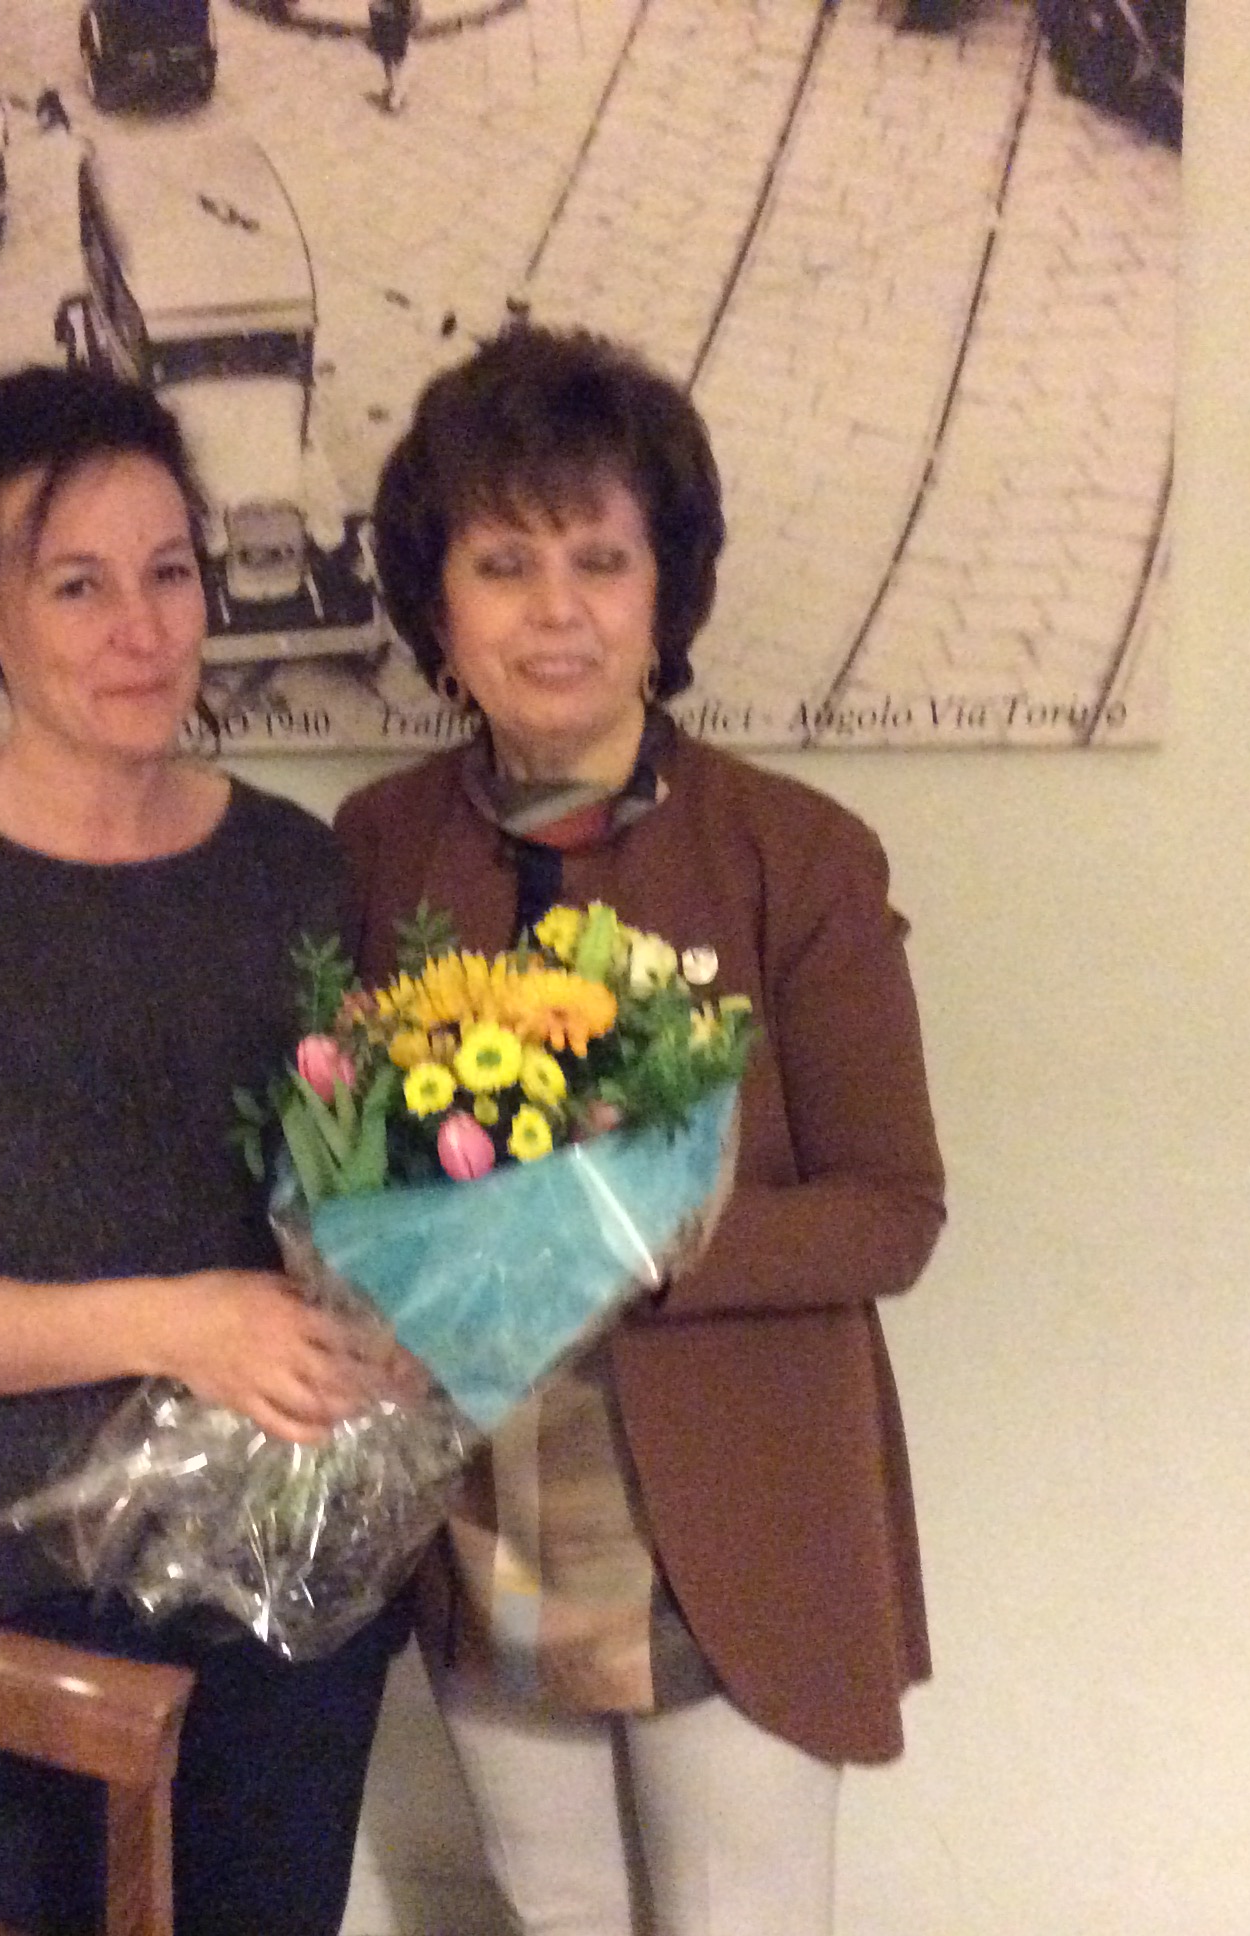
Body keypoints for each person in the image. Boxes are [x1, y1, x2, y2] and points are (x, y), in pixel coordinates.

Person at [0, 364, 411, 1936]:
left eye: (169, 573)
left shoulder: (293, 870)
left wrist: (404, 1307)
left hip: (281, 1591)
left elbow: (355, 1199)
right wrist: (177, 1322)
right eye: (78, 585)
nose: (143, 628)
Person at [336, 325, 946, 1936]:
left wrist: (625, 1241)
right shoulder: (378, 845)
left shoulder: (794, 852)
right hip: (491, 1505)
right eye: (505, 563)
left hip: (740, 1512)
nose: (557, 609)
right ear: (437, 605)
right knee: (552, 1914)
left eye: (601, 560)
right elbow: (341, 1153)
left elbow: (895, 1208)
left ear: (666, 593)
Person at [365, 0, 414, 112]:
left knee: (393, 54)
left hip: (395, 13)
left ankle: (395, 88)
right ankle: (393, 85)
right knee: (389, 53)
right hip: (387, 14)